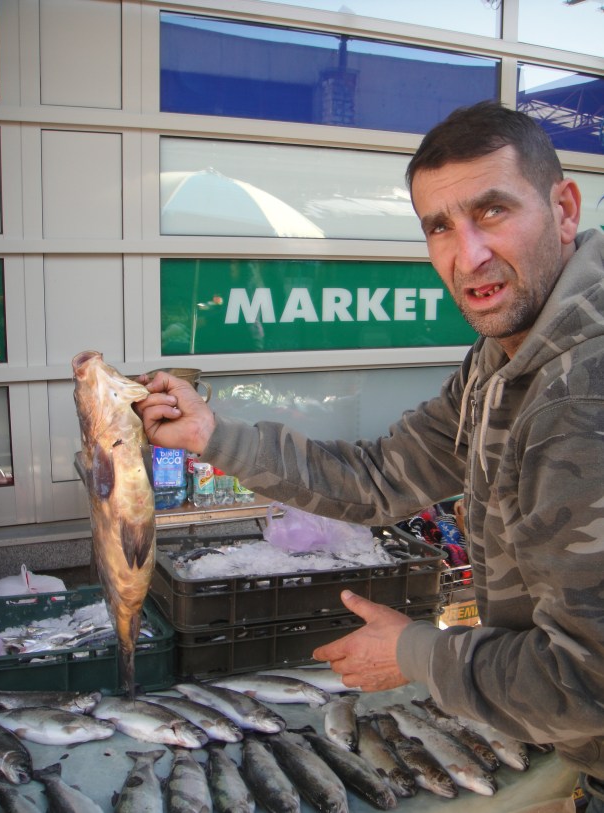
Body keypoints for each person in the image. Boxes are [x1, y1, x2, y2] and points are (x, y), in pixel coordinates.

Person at [135, 101, 604, 805]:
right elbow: (382, 474)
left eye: (493, 212)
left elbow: (588, 683)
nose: (466, 255)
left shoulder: (580, 399)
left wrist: (412, 653)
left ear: (563, 208)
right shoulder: (504, 356)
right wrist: (212, 435)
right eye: (440, 226)